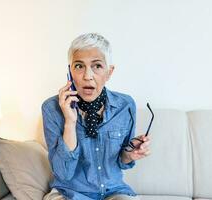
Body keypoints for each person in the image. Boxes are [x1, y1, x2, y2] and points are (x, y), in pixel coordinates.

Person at [41, 33, 151, 200]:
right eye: (79, 66)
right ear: (70, 71)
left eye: (97, 66)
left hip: (114, 192)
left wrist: (129, 154)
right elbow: (63, 173)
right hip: (70, 193)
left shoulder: (125, 106)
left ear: (109, 72)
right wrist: (70, 122)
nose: (87, 76)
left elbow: (121, 161)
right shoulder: (51, 109)